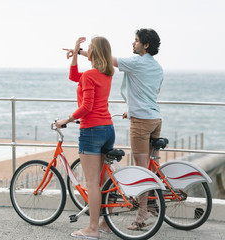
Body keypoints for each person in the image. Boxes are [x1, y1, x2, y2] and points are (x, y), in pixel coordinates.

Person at [74, 28, 163, 230]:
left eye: (136, 41)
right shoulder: (157, 67)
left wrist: (79, 52)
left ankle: (143, 215)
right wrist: (131, 109)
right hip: (155, 118)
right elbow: (152, 92)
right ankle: (152, 202)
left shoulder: (136, 62)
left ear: (145, 45)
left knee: (141, 168)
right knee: (150, 165)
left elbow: (105, 58)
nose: (133, 43)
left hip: (141, 121)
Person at [57, 36, 115, 239]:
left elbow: (87, 107)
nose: (86, 50)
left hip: (91, 131)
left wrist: (66, 119)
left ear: (94, 53)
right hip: (108, 129)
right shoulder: (107, 73)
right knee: (104, 180)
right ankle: (105, 223)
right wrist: (75, 51)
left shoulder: (90, 75)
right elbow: (74, 76)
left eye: (88, 48)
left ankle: (92, 229)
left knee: (92, 183)